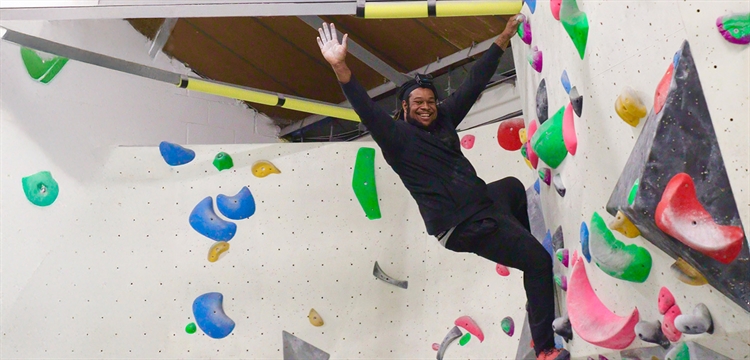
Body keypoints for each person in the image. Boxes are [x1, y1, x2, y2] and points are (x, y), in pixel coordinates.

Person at [317, 17, 569, 360]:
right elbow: (365, 107)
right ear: (404, 108)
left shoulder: (443, 120)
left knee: (511, 188)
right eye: (417, 102)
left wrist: (503, 39)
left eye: (430, 101)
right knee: (540, 263)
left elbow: (472, 85)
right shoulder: (397, 138)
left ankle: (525, 264)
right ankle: (543, 350)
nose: (425, 106)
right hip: (462, 225)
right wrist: (341, 66)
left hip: (484, 206)